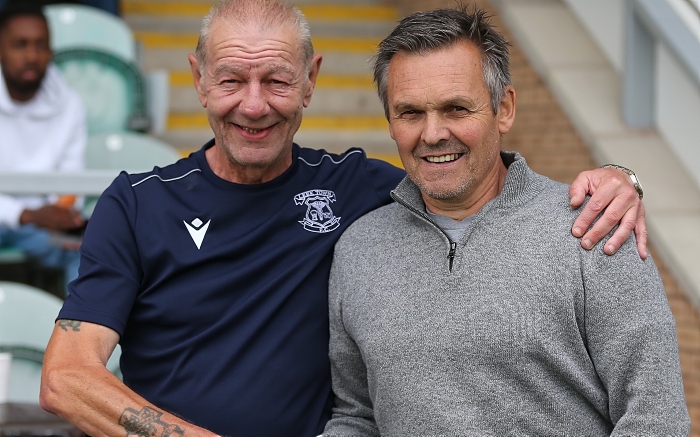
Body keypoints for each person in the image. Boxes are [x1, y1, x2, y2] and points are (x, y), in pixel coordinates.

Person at [40, 1, 649, 436]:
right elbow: (66, 378)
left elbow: (470, 170)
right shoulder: (138, 201)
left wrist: (619, 179)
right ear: (199, 81)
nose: (254, 105)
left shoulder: (362, 189)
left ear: (311, 82)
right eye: (232, 80)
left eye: (277, 79)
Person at [323, 6, 690, 436]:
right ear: (390, 121)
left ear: (504, 109)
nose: (433, 133)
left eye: (457, 108)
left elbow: (655, 419)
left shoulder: (595, 230)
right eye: (410, 113)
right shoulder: (359, 248)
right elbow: (357, 417)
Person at [0, 3, 86, 294]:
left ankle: (78, 337)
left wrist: (62, 213)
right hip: (25, 218)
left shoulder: (69, 104)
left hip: (41, 226)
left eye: (41, 45)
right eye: (20, 45)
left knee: (88, 250)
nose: (31, 56)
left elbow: (72, 179)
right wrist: (26, 214)